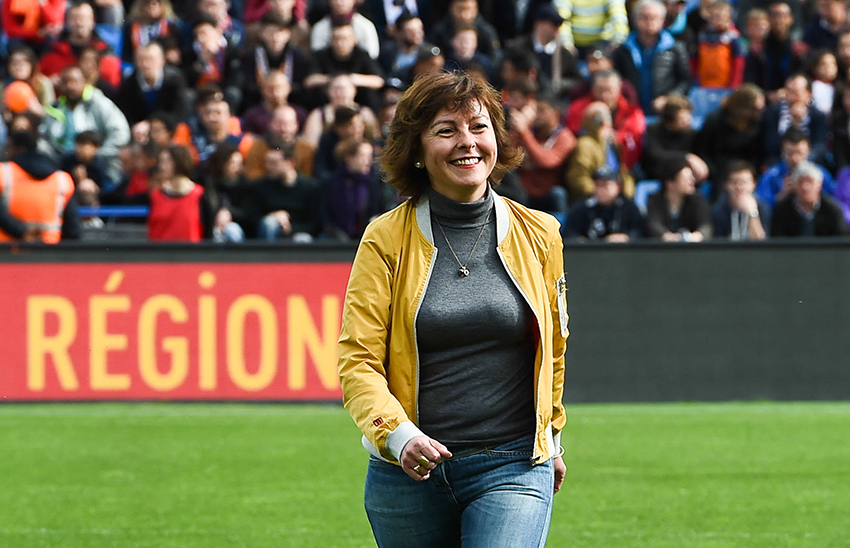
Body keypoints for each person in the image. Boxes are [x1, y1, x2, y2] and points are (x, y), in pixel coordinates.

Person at [337, 70, 568, 548]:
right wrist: (398, 436)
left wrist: (551, 435)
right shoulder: (384, 238)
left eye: (479, 127)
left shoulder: (542, 233)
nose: (468, 141)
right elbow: (358, 361)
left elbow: (555, 348)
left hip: (513, 464)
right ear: (417, 151)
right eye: (447, 130)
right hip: (406, 475)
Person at [0, 129, 80, 243]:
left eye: (8, 148)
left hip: (7, 250)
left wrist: (22, 231)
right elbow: (73, 230)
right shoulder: (62, 180)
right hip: (49, 251)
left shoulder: (3, 173)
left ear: (18, 148)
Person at [612, 0, 691, 115]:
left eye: (654, 17)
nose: (649, 21)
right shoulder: (623, 50)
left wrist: (669, 99)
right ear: (635, 20)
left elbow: (685, 81)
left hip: (665, 114)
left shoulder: (675, 48)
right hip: (631, 112)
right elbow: (618, 79)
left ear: (662, 20)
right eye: (645, 17)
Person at [147, 144, 213, 241]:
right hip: (160, 249)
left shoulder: (200, 196)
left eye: (166, 161)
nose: (161, 167)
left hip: (190, 249)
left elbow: (208, 233)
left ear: (179, 162)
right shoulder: (155, 196)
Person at [756, 127, 835, 207]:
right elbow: (762, 206)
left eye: (799, 153)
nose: (795, 158)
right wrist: (781, 195)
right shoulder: (771, 176)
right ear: (783, 151)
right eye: (790, 153)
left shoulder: (821, 174)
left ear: (808, 150)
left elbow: (834, 201)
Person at [770, 161, 849, 236]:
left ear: (819, 185)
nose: (805, 187)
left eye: (810, 182)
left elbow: (841, 239)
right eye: (800, 182)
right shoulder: (782, 210)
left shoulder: (832, 210)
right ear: (794, 185)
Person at [566, 166, 645, 241]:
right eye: (597, 185)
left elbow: (639, 231)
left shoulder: (628, 206)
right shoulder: (584, 206)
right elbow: (570, 232)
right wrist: (582, 241)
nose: (600, 190)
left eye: (605, 185)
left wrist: (625, 238)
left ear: (617, 187)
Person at [646, 157, 712, 241]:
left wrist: (697, 236)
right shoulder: (655, 200)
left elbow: (706, 225)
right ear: (670, 184)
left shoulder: (697, 199)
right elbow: (653, 225)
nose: (692, 181)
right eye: (686, 179)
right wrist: (668, 236)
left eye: (691, 177)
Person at [712, 160, 770, 240]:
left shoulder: (763, 207)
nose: (739, 187)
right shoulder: (719, 209)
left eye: (744, 183)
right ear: (726, 185)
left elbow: (762, 242)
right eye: (734, 182)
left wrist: (752, 213)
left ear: (753, 184)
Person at [554, 0, 630, 55]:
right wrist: (567, 45)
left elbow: (619, 18)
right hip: (574, 47)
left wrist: (617, 42)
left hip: (603, 44)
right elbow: (562, 20)